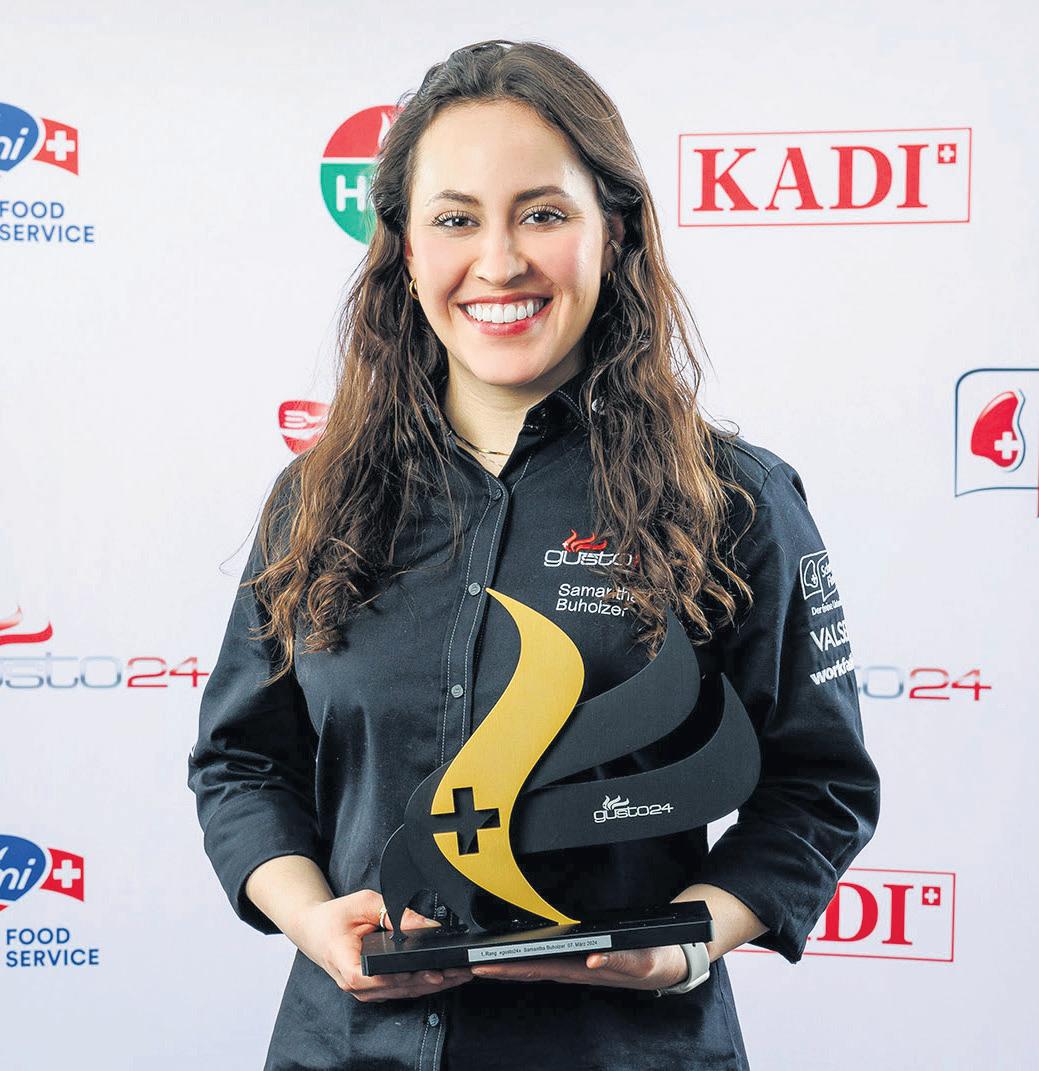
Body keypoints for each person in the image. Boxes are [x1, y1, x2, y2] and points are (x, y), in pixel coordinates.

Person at [187, 38, 880, 1071]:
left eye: (543, 214)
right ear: (405, 250)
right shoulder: (317, 496)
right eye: (455, 219)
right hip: (346, 1048)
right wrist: (312, 918)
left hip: (620, 1049)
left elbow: (818, 784)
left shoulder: (731, 497)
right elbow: (242, 762)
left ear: (613, 231)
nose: (500, 261)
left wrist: (684, 944)